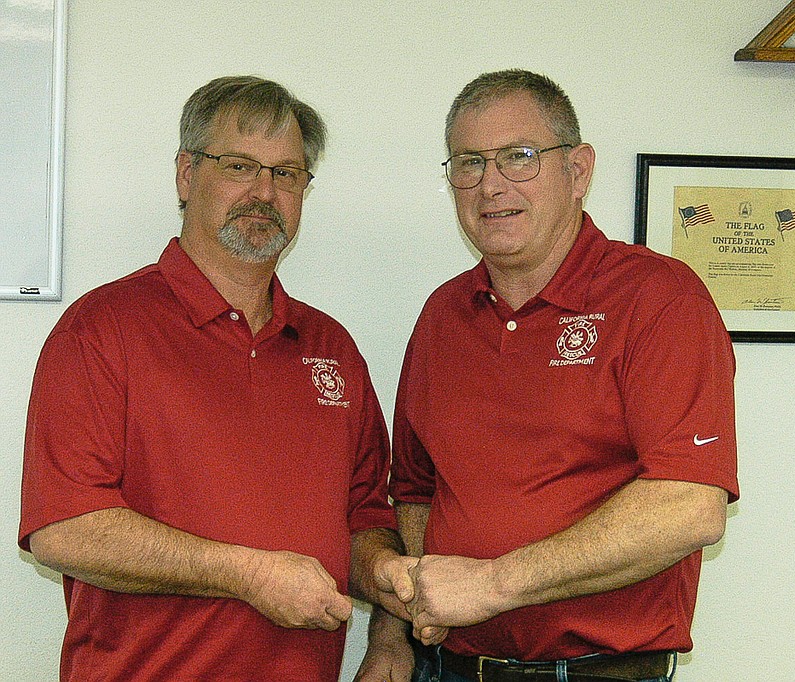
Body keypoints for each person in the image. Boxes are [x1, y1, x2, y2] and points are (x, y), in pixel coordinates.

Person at [19, 76, 416, 682]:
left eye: (287, 174)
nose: (265, 191)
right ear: (185, 174)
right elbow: (65, 530)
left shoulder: (330, 348)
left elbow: (366, 518)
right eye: (240, 166)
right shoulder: (101, 330)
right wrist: (249, 575)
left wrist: (390, 608)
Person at [388, 69, 739, 682]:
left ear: (578, 171)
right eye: (468, 163)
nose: (490, 184)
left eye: (519, 158)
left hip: (600, 671)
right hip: (451, 667)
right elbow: (417, 490)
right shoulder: (443, 315)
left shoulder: (656, 298)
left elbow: (689, 506)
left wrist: (493, 585)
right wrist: (420, 608)